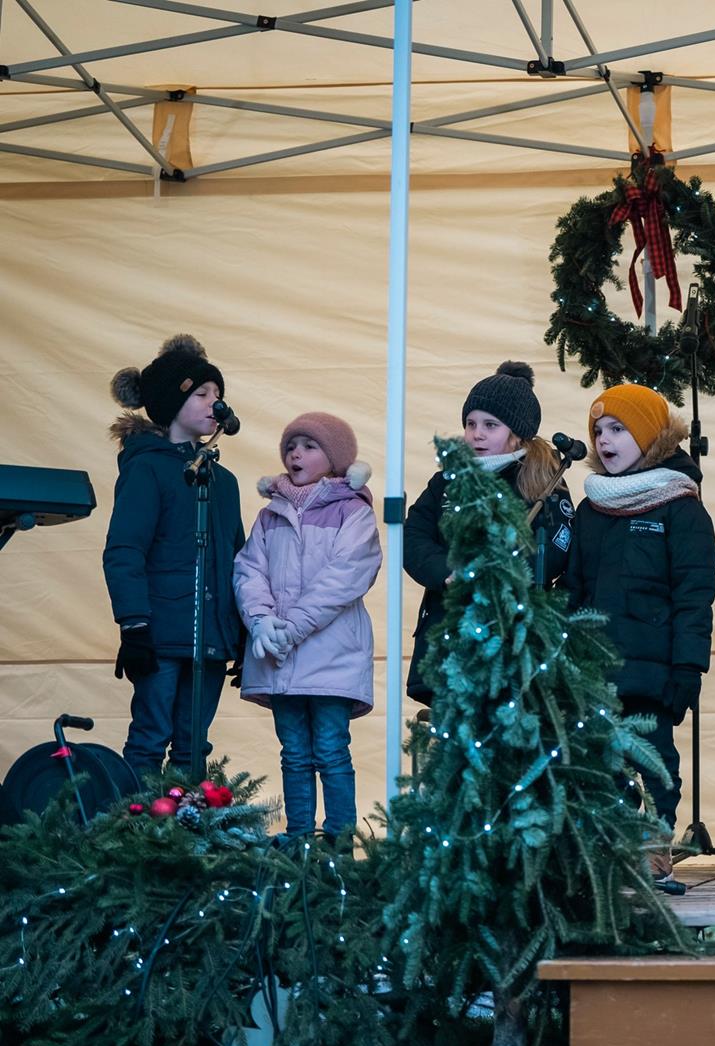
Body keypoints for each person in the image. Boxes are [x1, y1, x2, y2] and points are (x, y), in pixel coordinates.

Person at [561, 384, 715, 884]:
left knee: (653, 759)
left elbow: (695, 594)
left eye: (618, 429)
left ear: (649, 436)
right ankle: (613, 850)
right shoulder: (592, 510)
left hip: (653, 667)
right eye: (598, 431)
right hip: (595, 665)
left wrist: (688, 666)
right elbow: (576, 589)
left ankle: (654, 845)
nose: (604, 440)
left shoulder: (680, 507)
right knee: (600, 759)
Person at [103, 334, 244, 779]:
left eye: (217, 394)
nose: (213, 403)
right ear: (170, 401)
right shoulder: (147, 468)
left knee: (192, 746)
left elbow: (239, 561)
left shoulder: (223, 482)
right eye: (201, 393)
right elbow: (125, 549)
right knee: (149, 737)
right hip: (161, 634)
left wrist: (242, 631)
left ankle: (187, 821)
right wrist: (134, 625)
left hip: (212, 637)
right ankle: (137, 820)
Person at [234, 412, 381, 837]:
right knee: (294, 753)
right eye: (291, 447)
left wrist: (290, 628)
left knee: (331, 751)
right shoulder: (270, 515)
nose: (295, 454)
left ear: (335, 457)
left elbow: (345, 577)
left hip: (332, 656)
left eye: (309, 446)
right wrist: (261, 622)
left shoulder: (353, 511)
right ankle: (298, 842)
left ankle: (338, 846)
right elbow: (248, 571)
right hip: (279, 657)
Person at [404, 361, 573, 707]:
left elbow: (555, 549)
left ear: (518, 433)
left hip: (512, 638)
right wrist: (448, 572)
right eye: (471, 424)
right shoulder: (446, 482)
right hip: (449, 633)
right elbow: (414, 537)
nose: (476, 434)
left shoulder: (543, 482)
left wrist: (497, 576)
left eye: (490, 425)